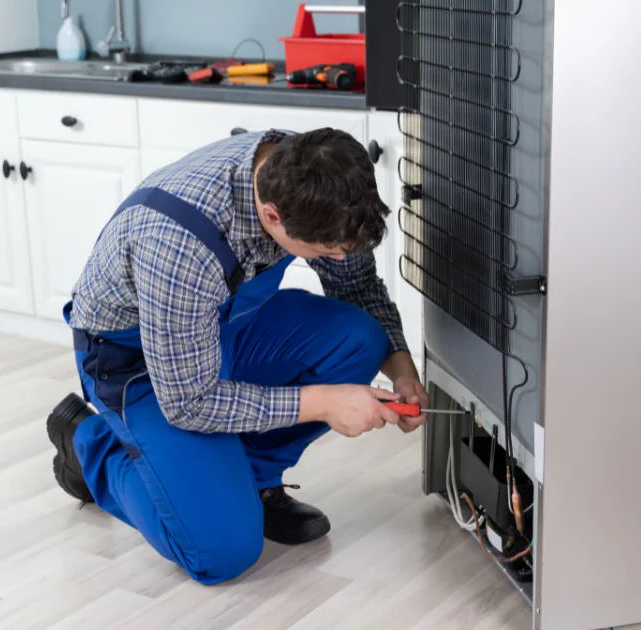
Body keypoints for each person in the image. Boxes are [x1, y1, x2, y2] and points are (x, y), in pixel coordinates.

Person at [44, 128, 429, 584]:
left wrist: (403, 370)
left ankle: (252, 484)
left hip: (224, 327)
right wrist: (327, 403)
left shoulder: (316, 175)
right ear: (272, 215)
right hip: (138, 364)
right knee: (223, 552)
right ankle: (91, 446)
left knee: (361, 340)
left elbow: (358, 285)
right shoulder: (179, 244)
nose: (337, 258)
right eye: (325, 252)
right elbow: (190, 402)